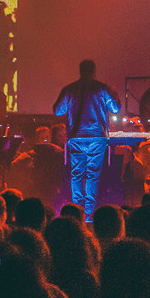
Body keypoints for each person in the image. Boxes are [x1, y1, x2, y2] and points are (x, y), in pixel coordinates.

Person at [53, 59, 121, 221]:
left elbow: (57, 110)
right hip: (97, 137)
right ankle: (88, 216)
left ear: (80, 71)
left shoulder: (69, 89)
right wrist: (114, 93)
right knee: (93, 175)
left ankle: (77, 213)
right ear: (94, 71)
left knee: (76, 174)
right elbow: (115, 109)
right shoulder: (103, 89)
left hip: (76, 137)